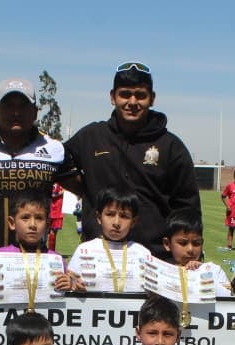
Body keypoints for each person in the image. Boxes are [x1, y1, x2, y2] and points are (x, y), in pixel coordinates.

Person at [66, 62, 200, 258]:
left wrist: (190, 254)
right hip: (98, 258)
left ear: (152, 99)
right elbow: (56, 164)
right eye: (125, 94)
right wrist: (85, 188)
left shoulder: (171, 146)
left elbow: (188, 209)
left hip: (154, 260)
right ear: (113, 97)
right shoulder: (92, 136)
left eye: (140, 95)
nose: (132, 101)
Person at [0, 78, 76, 250]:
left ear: (35, 112)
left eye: (23, 106)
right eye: (8, 105)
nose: (16, 112)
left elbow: (86, 192)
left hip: (32, 264)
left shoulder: (54, 149)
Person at [0, 189, 75, 298]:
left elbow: (66, 297)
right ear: (12, 223)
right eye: (25, 218)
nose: (33, 224)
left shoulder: (56, 259)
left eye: (39, 218)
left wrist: (69, 285)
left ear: (47, 225)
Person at [67, 187, 150, 293]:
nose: (116, 222)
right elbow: (70, 283)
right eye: (110, 214)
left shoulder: (142, 253)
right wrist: (74, 284)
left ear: (133, 221)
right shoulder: (85, 249)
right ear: (99, 217)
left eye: (124, 216)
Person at [221, 168, 235, 251]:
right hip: (232, 212)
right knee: (231, 228)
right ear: (234, 176)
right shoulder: (230, 186)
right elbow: (223, 196)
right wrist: (227, 206)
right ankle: (229, 246)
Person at [48, 182, 65, 252]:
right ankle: (50, 250)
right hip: (55, 211)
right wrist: (61, 193)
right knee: (52, 232)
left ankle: (51, 250)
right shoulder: (56, 184)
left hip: (55, 210)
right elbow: (53, 194)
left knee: (53, 233)